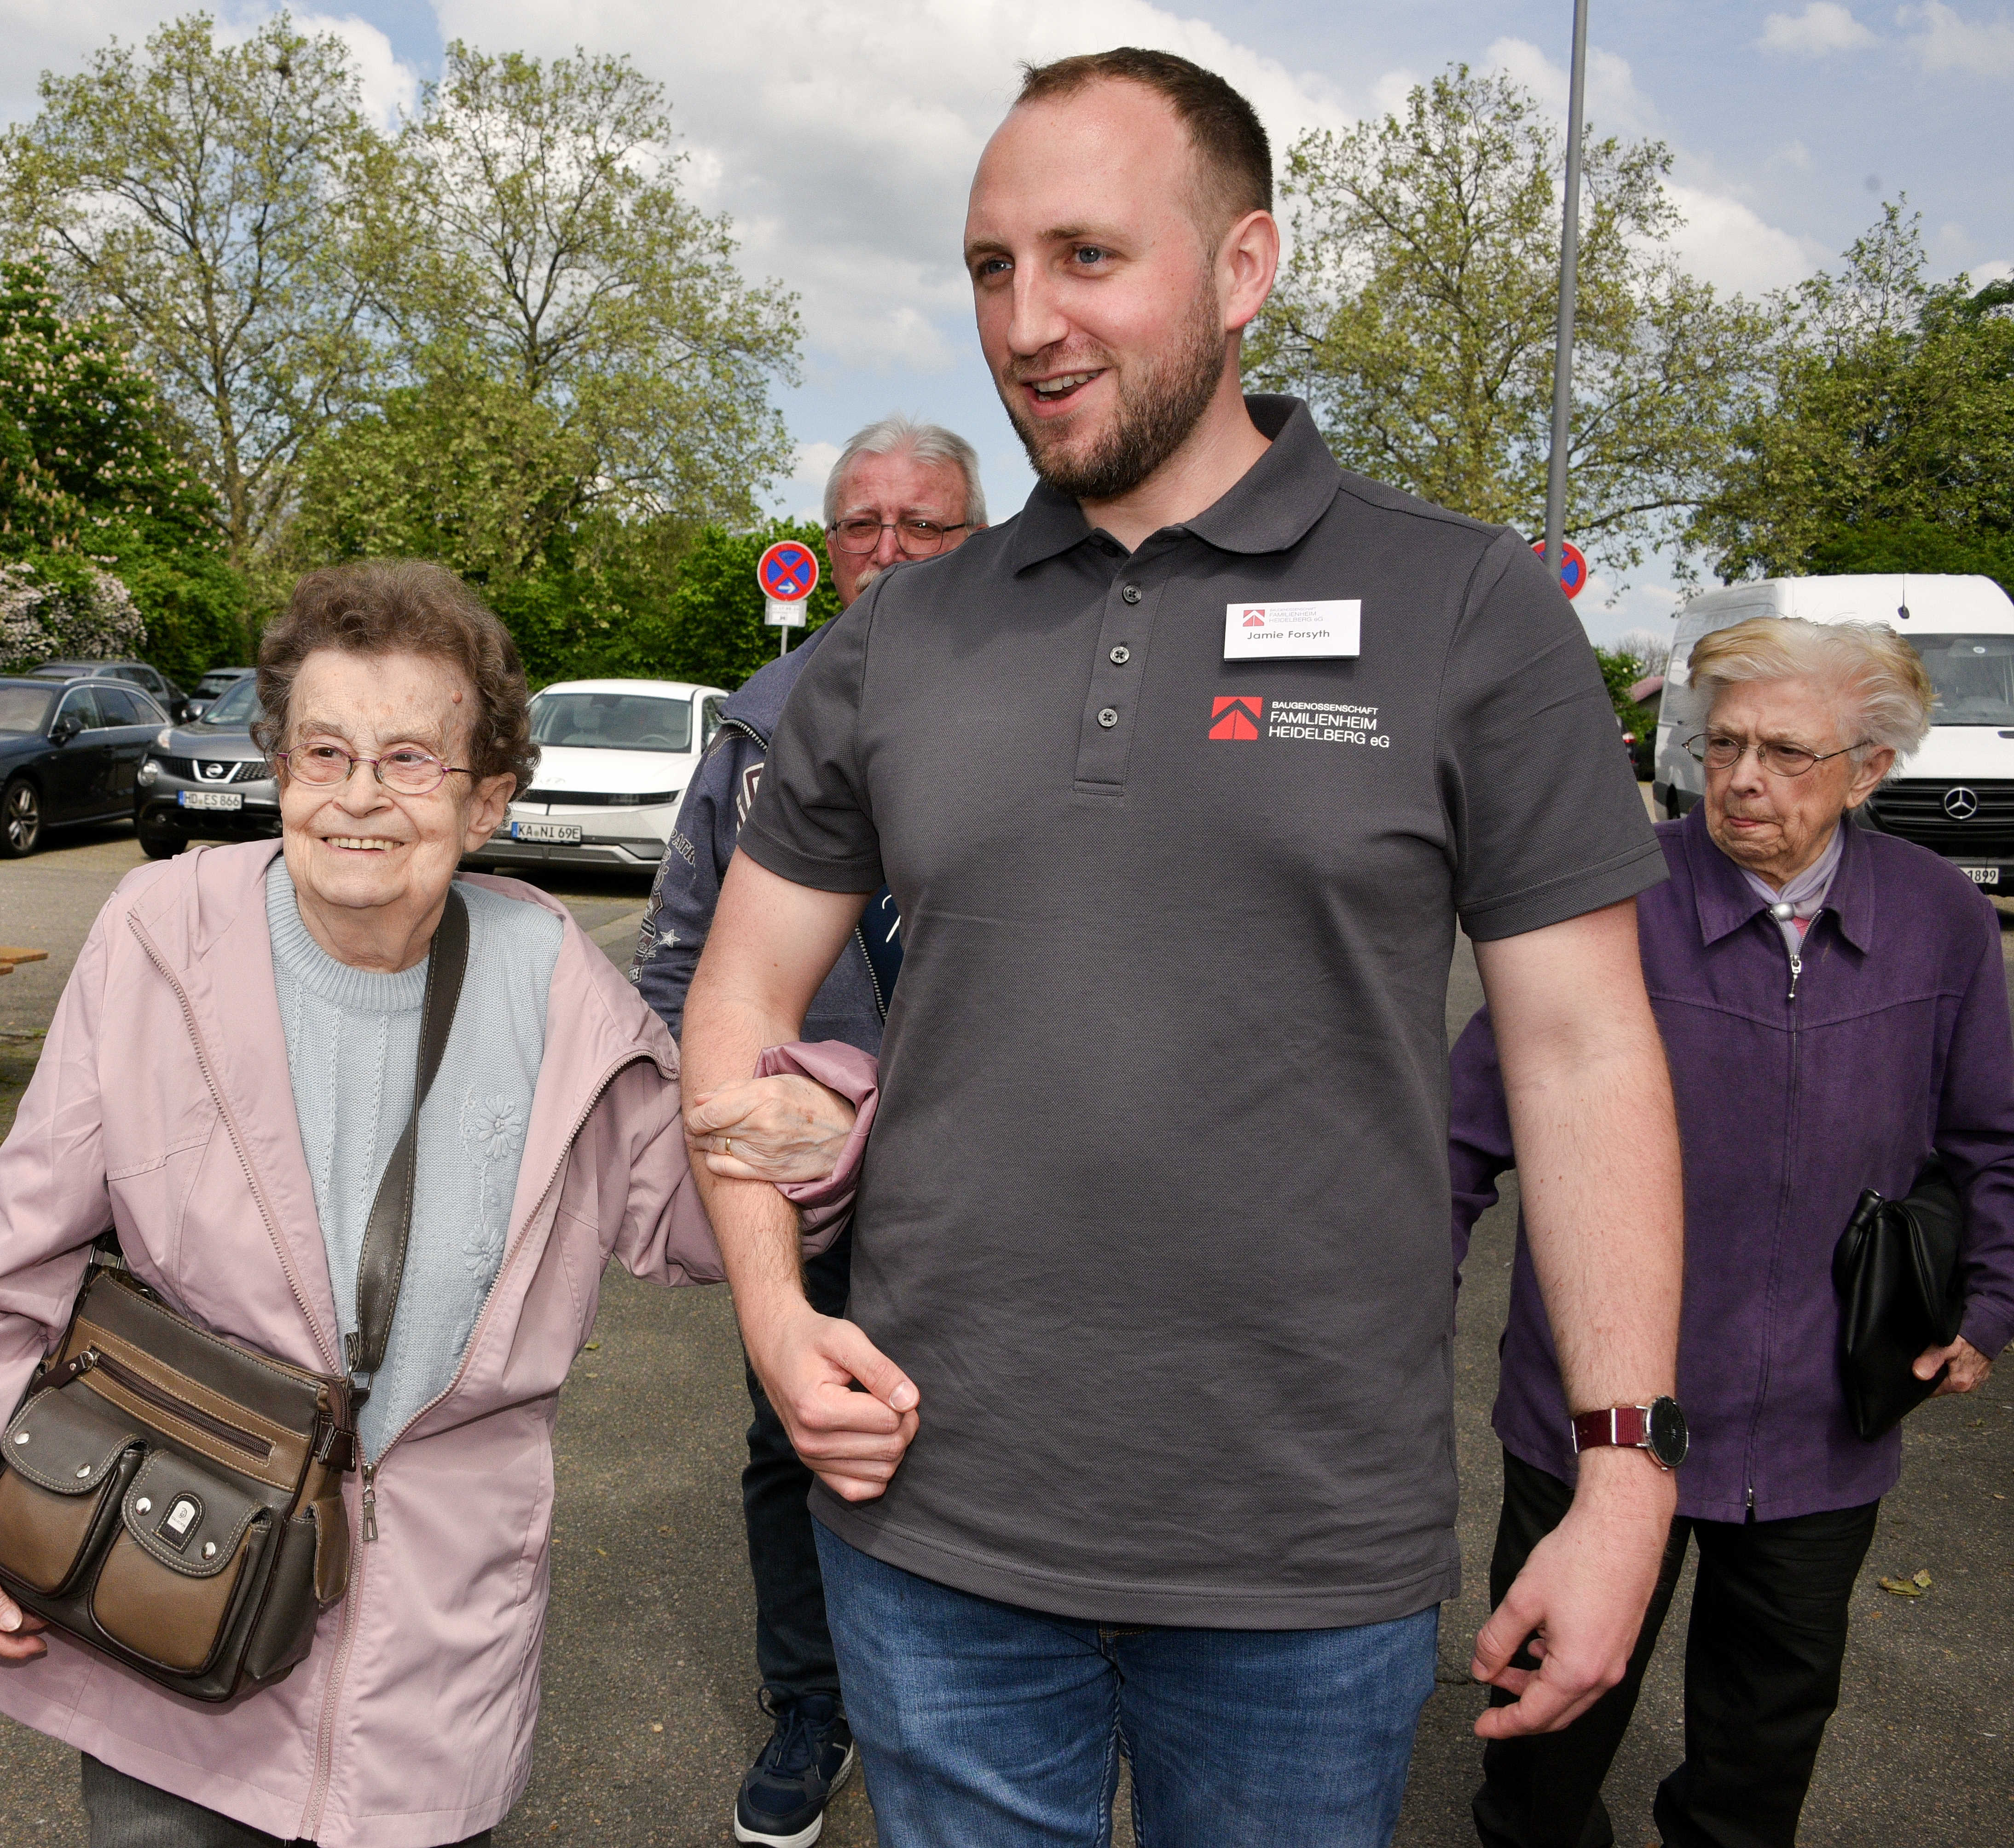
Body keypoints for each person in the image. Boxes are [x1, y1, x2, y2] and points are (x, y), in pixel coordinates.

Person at [678, 47, 1690, 1848]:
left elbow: (1582, 1052)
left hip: (1302, 1553)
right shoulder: (895, 640)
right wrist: (773, 1312)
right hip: (928, 1522)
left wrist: (1622, 1473)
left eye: (1086, 255)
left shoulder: (1466, 607)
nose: (1026, 322)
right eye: (990, 266)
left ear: (1242, 268)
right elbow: (741, 992)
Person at [0, 562, 858, 1848]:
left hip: (431, 1650)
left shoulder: (553, 978)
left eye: (409, 760)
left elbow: (681, 1213)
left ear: (489, 796)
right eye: (323, 752)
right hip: (174, 1577)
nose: (357, 797)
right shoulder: (162, 934)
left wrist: (813, 1138)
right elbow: (20, 1253)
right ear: (278, 765)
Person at [1453, 615, 2014, 1848]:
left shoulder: (1941, 919)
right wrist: (1401, 1312)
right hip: (1595, 1415)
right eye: (1723, 745)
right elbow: (1459, 1132)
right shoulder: (1610, 898)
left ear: (1869, 769)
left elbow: (1993, 1142)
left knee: (1760, 1758)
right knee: (1544, 1738)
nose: (1744, 777)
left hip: (1821, 1424)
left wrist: (1988, 1304)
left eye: (1786, 752)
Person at [632, 412, 985, 1848]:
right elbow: (675, 967)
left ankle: (973, 1715)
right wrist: (730, 1116)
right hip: (812, 1192)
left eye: (925, 524)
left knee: (989, 1440)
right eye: (861, 523)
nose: (889, 549)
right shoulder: (757, 727)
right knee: (796, 1441)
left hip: (998, 1189)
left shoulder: (1043, 706)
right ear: (827, 544)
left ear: (981, 538)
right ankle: (810, 1709)